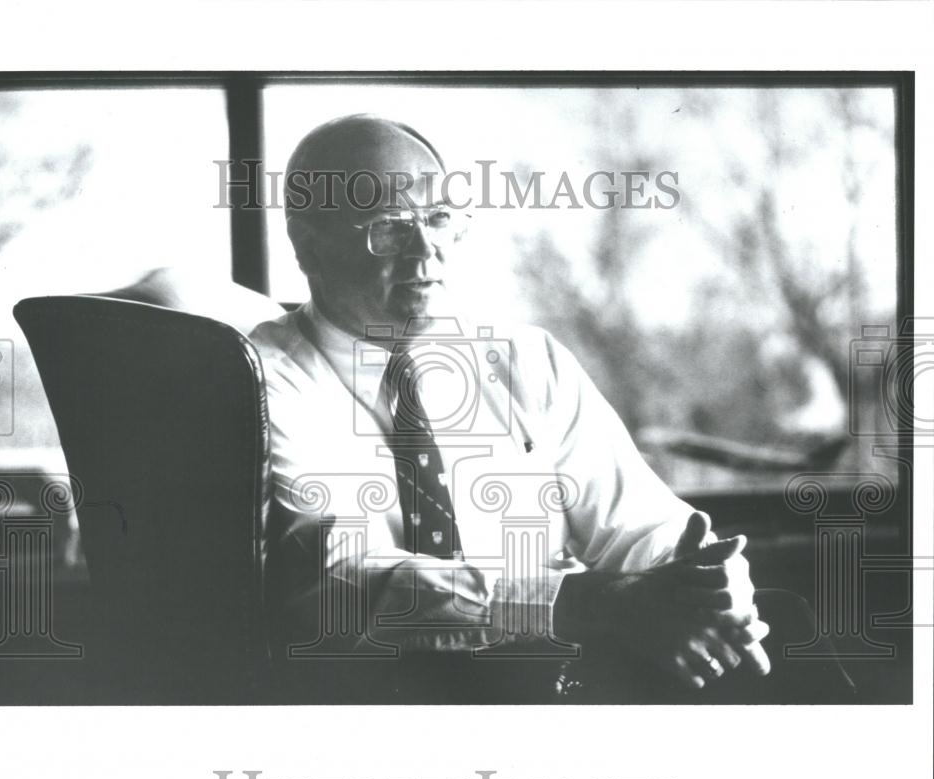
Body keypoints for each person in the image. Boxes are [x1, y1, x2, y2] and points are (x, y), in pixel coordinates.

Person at [249, 114, 851, 704]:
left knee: (784, 628)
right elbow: (345, 578)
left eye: (437, 220)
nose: (425, 252)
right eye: (388, 227)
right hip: (401, 695)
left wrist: (711, 588)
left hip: (568, 665)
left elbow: (642, 520)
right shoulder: (263, 382)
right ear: (309, 247)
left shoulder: (525, 359)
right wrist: (589, 605)